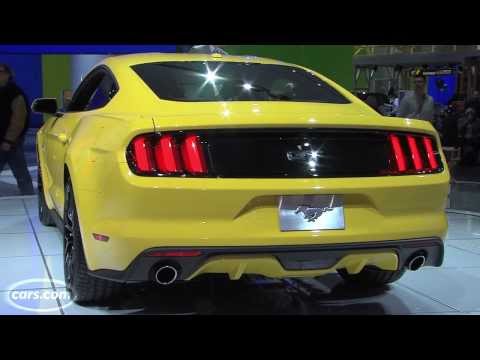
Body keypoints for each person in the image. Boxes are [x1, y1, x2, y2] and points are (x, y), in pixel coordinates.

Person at [0, 63, 34, 195]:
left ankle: (29, 196)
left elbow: (18, 119)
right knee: (21, 172)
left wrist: (8, 140)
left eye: (1, 72)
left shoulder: (14, 94)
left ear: (8, 75)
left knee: (20, 172)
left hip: (11, 143)